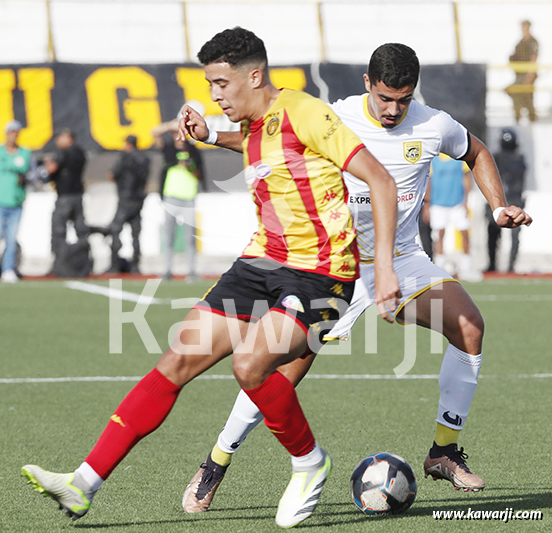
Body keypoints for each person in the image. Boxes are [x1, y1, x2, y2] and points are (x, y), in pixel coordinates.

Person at [21, 27, 401, 529]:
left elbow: (379, 178)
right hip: (260, 263)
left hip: (323, 275)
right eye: (211, 84)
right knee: (176, 360)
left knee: (250, 365)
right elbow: (256, 141)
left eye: (222, 83)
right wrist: (209, 135)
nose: (215, 94)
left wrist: (387, 267)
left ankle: (309, 463)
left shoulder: (306, 111)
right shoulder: (255, 123)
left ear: (255, 76)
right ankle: (83, 482)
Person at [176, 43, 533, 514]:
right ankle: (217, 460)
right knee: (281, 371)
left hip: (402, 259)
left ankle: (444, 451)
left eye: (403, 100)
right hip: (334, 265)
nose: (393, 109)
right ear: (367, 83)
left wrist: (498, 204)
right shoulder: (335, 115)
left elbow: (477, 152)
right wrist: (213, 135)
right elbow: (270, 143)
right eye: (385, 98)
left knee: (469, 326)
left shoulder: (434, 124)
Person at [152, 119, 204, 280]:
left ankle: (191, 270)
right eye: (175, 133)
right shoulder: (168, 150)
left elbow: (199, 174)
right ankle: (167, 270)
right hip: (171, 198)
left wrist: (190, 166)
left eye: (179, 133)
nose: (177, 136)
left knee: (190, 237)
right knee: (169, 236)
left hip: (188, 198)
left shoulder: (193, 151)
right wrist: (171, 125)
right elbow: (154, 132)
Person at [105, 135, 151, 274]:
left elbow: (112, 175)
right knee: (136, 234)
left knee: (115, 230)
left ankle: (114, 265)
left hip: (125, 199)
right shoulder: (145, 158)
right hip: (138, 200)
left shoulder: (125, 158)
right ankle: (135, 265)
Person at [429, 154, 478, 281]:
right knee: (439, 235)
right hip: (438, 204)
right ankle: (439, 267)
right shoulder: (433, 161)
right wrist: (427, 204)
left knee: (465, 233)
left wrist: (466, 201)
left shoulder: (460, 160)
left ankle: (466, 267)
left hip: (457, 203)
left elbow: (467, 180)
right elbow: (429, 182)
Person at [43, 128, 89, 263]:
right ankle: (84, 262)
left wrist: (47, 164)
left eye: (60, 138)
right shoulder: (80, 152)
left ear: (68, 138)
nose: (57, 141)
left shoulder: (64, 153)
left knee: (59, 230)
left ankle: (59, 262)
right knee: (81, 230)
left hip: (65, 197)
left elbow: (50, 170)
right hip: (78, 196)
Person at [486, 127, 526, 272]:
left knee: (494, 234)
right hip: (513, 199)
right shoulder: (518, 158)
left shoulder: (497, 157)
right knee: (502, 234)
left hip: (499, 200)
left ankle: (494, 265)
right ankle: (507, 267)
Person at [0, 120, 32, 283]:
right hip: (0, 201)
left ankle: (8, 269)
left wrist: (26, 178)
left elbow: (34, 174)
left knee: (11, 239)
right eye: (11, 132)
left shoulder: (25, 153)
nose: (13, 135)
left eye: (16, 132)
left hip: (16, 202)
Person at [506, 20, 539, 122]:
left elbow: (533, 58)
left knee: (526, 95)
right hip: (519, 74)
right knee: (517, 93)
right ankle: (520, 116)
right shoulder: (521, 42)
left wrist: (529, 75)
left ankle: (530, 117)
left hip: (528, 74)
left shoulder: (532, 41)